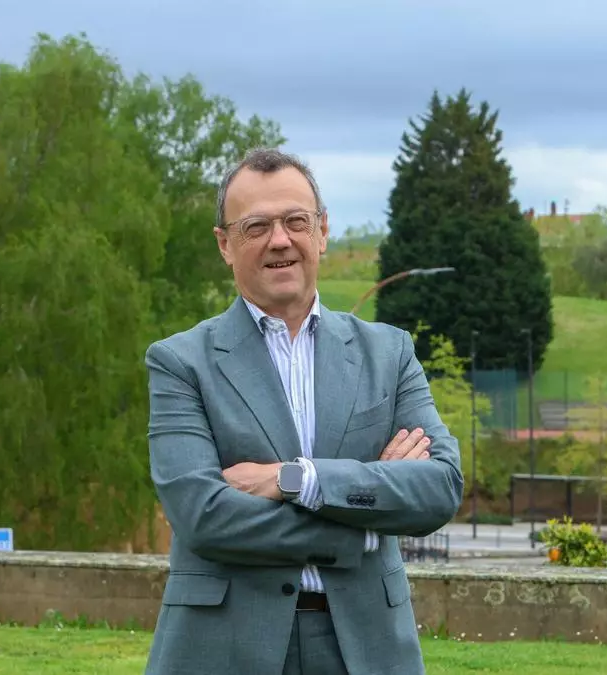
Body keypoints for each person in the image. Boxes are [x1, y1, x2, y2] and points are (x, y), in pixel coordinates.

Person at [142, 147, 464, 675]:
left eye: (296, 221)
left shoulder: (389, 354)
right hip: (224, 649)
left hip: (366, 649)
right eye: (256, 226)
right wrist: (361, 526)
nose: (280, 240)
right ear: (224, 244)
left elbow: (440, 487)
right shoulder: (180, 363)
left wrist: (297, 479)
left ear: (323, 231)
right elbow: (202, 516)